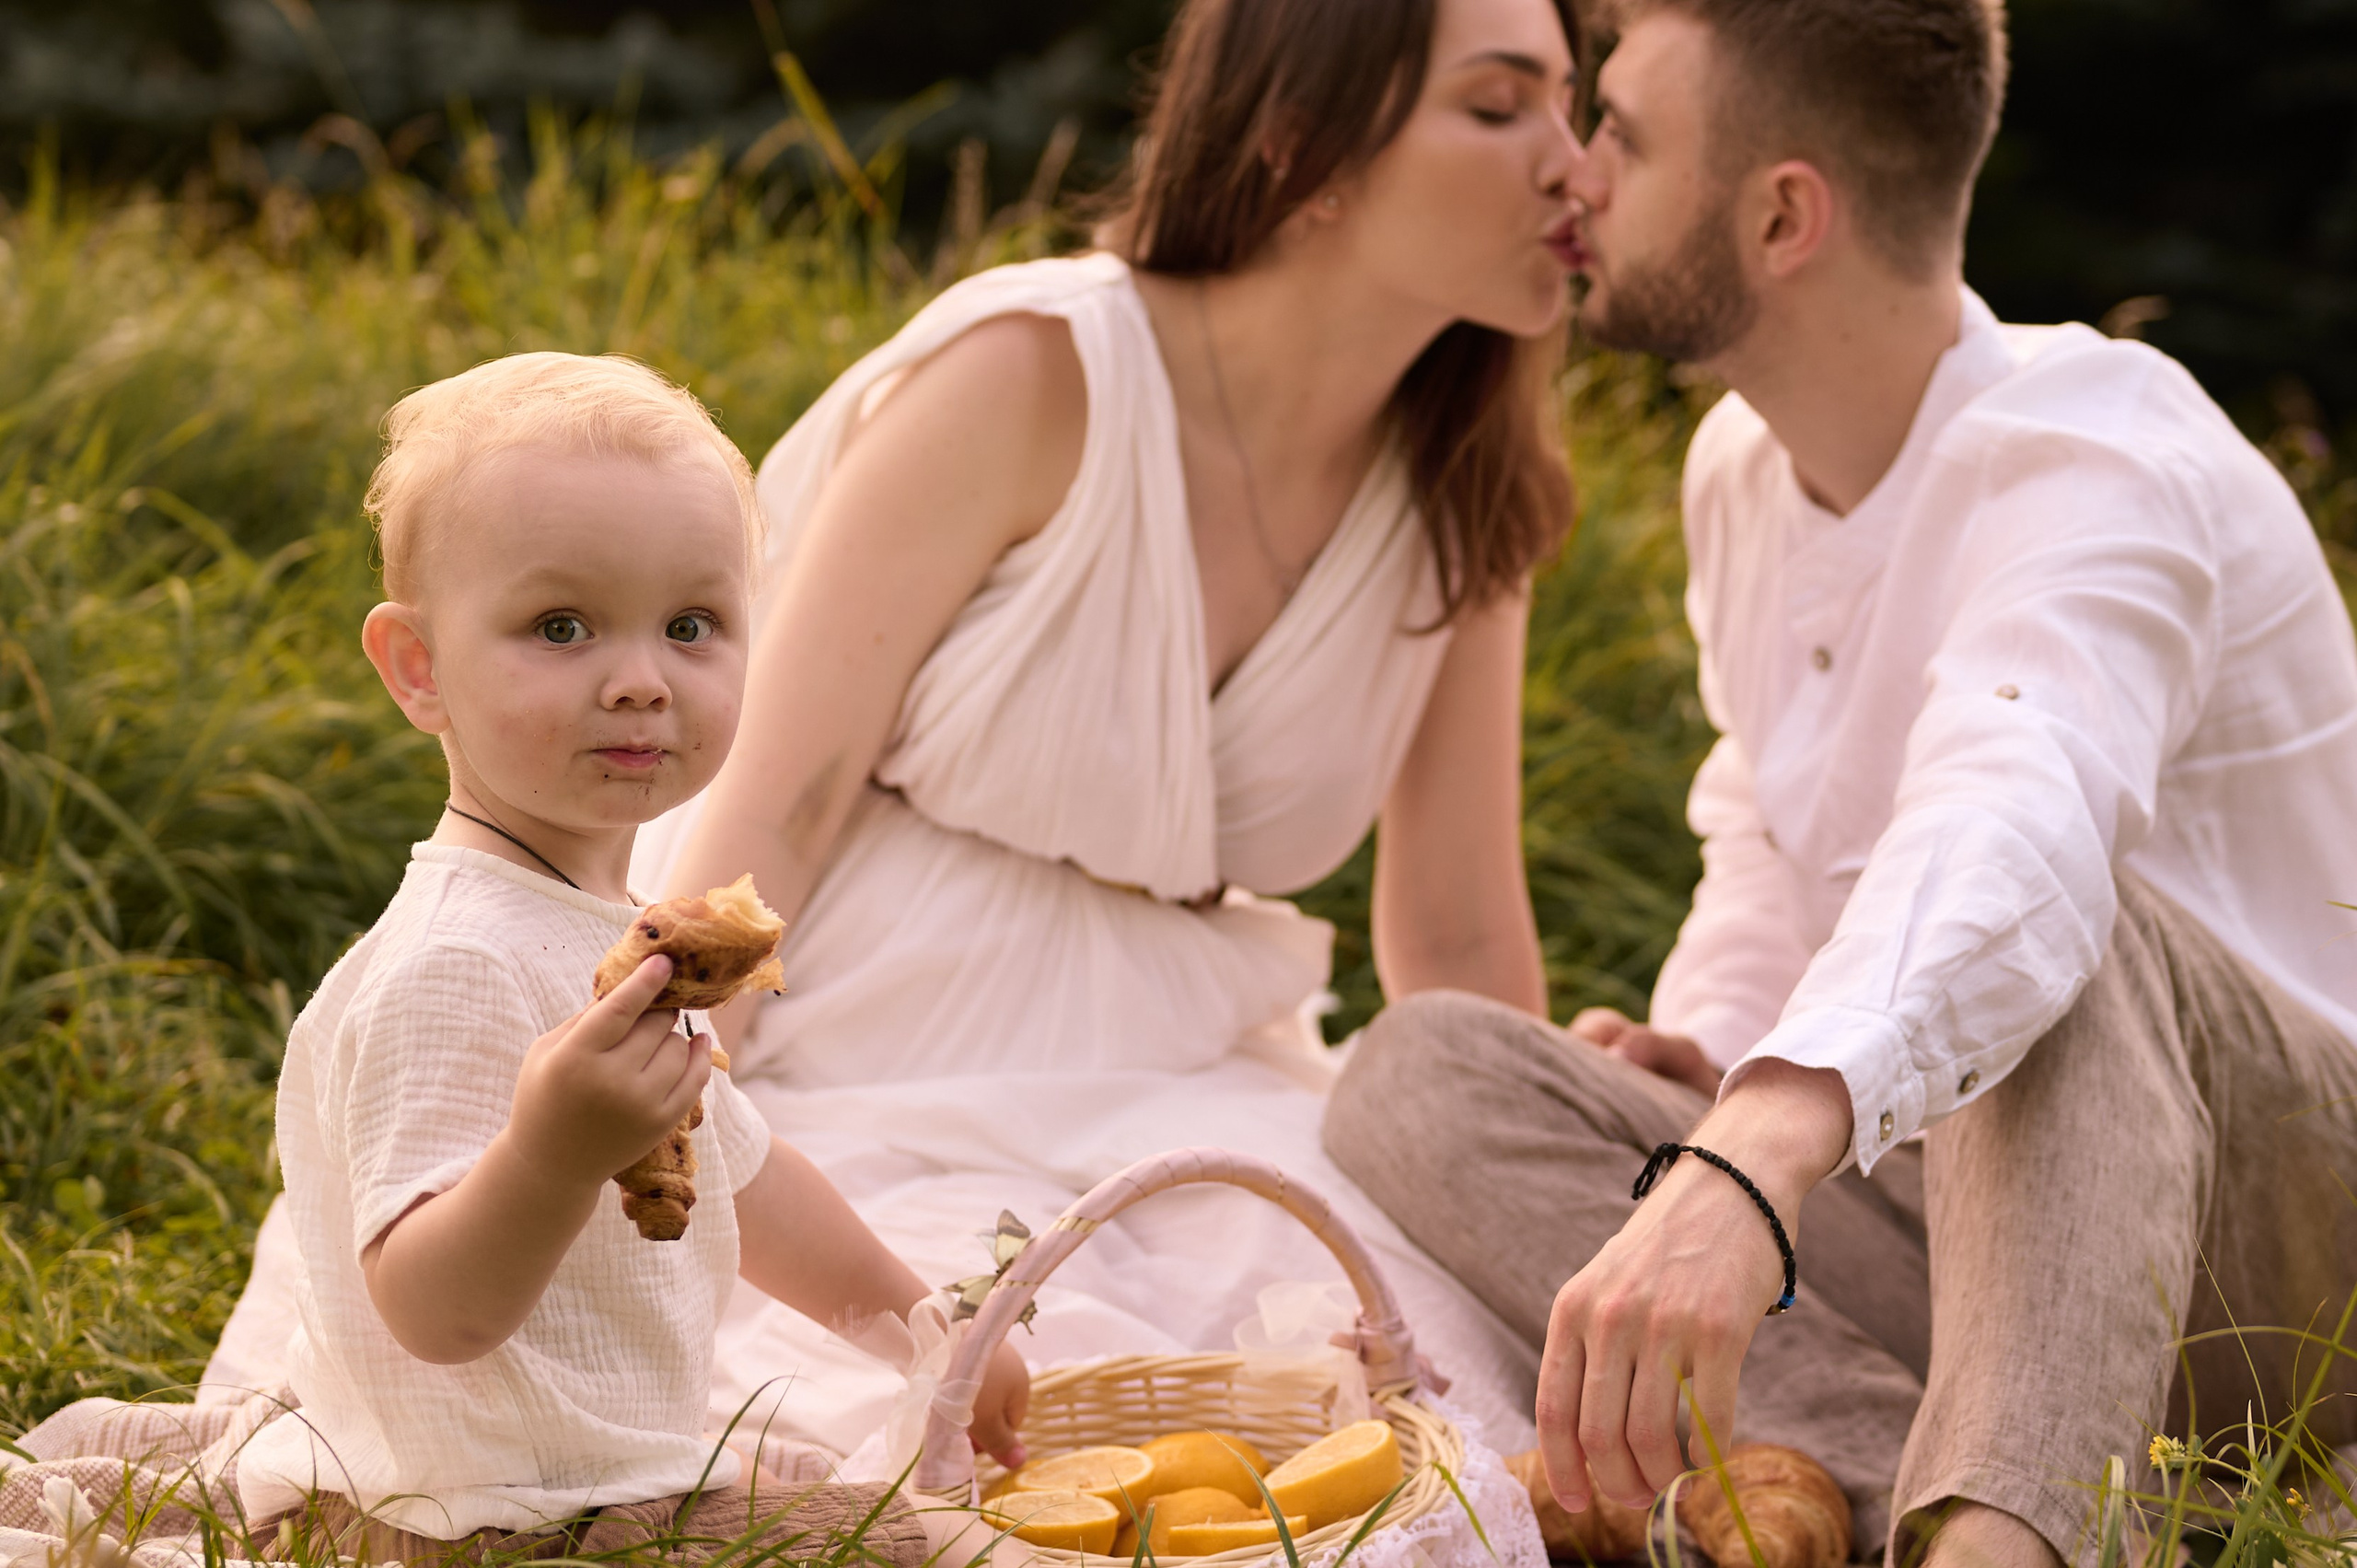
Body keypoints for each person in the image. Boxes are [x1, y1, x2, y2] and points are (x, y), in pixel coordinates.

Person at [208, 0, 1587, 1539]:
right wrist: (688, 1051)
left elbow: (1459, 935)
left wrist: (1519, 1183)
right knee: (856, 1381)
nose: (1577, 164)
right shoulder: (1040, 365)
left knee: (1359, 1361)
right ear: (1305, 144)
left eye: (1579, 108)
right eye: (1503, 106)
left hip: (1194, 1037)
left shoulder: (1474, 488)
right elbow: (787, 791)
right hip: (875, 996)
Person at [1324, 0, 2357, 1564]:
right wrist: (1720, 1063)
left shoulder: (2102, 453)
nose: (1574, 171)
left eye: (1624, 131)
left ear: (1784, 214)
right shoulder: (1742, 468)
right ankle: (1976, 1498)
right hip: (1997, 1240)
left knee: (2050, 935)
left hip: (2288, 1256)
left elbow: (2012, 815)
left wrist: (1752, 1155)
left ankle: (2006, 1545)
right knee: (1422, 1070)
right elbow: (1771, 822)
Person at [15, 352, 1027, 1567]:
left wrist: (934, 1334)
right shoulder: (453, 964)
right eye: (561, 626)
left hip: (583, 1479)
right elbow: (436, 1312)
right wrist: (552, 1155)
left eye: (692, 625)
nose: (644, 679)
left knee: (834, 1503)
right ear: (419, 670)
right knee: (929, 1555)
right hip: (482, 1518)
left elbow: (750, 1183)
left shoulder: (605, 929)